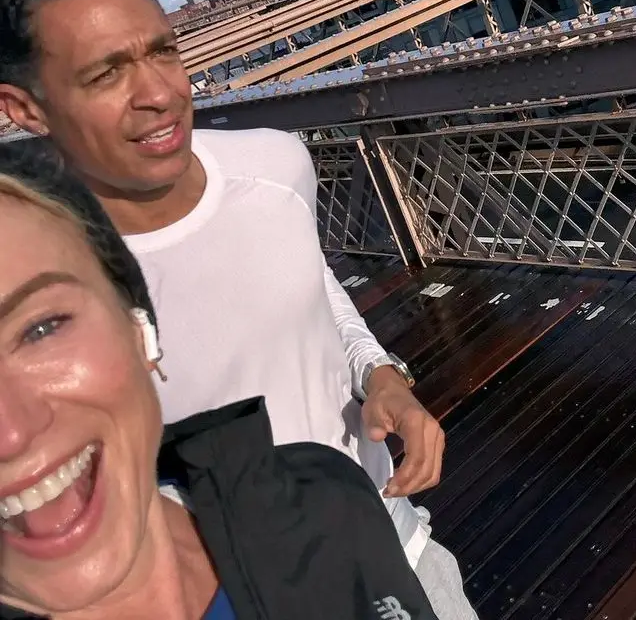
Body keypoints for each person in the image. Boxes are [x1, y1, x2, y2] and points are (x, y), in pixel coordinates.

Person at [0, 0, 478, 620]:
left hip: (392, 547)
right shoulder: (48, 278)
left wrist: (382, 377)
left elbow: (315, 292)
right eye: (106, 74)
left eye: (162, 50)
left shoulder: (275, 165)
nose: (160, 94)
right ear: (26, 109)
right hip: (233, 593)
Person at [0, 142, 439, 620]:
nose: (11, 432)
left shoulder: (263, 168)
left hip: (387, 523)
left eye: (41, 329)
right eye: (98, 78)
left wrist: (380, 374)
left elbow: (314, 281)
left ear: (138, 332)